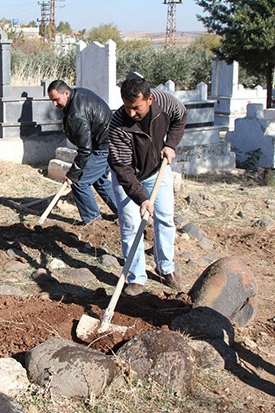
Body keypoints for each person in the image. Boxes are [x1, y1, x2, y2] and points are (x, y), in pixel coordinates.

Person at [108, 77, 187, 296]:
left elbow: (181, 116)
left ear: (149, 99)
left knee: (165, 218)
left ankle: (166, 267)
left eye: (136, 107)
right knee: (131, 225)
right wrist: (141, 198)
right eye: (127, 107)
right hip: (128, 177)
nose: (131, 113)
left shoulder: (164, 102)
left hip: (156, 172)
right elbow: (122, 167)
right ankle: (136, 278)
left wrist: (170, 144)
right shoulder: (118, 125)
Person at [47, 80, 118, 225]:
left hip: (103, 146)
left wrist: (73, 174)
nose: (54, 104)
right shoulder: (77, 94)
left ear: (66, 93)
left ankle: (93, 221)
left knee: (80, 183)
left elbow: (85, 149)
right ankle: (124, 212)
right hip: (109, 141)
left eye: (56, 99)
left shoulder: (76, 114)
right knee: (100, 180)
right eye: (51, 100)